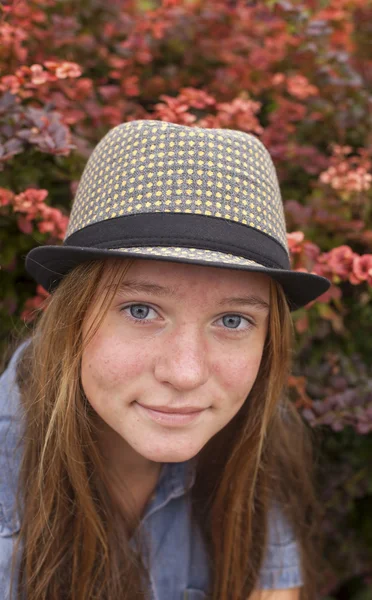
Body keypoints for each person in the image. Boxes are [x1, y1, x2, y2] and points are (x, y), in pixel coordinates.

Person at [0, 119, 331, 600]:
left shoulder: (252, 429)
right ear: (71, 319)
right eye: (141, 310)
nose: (186, 373)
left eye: (233, 321)